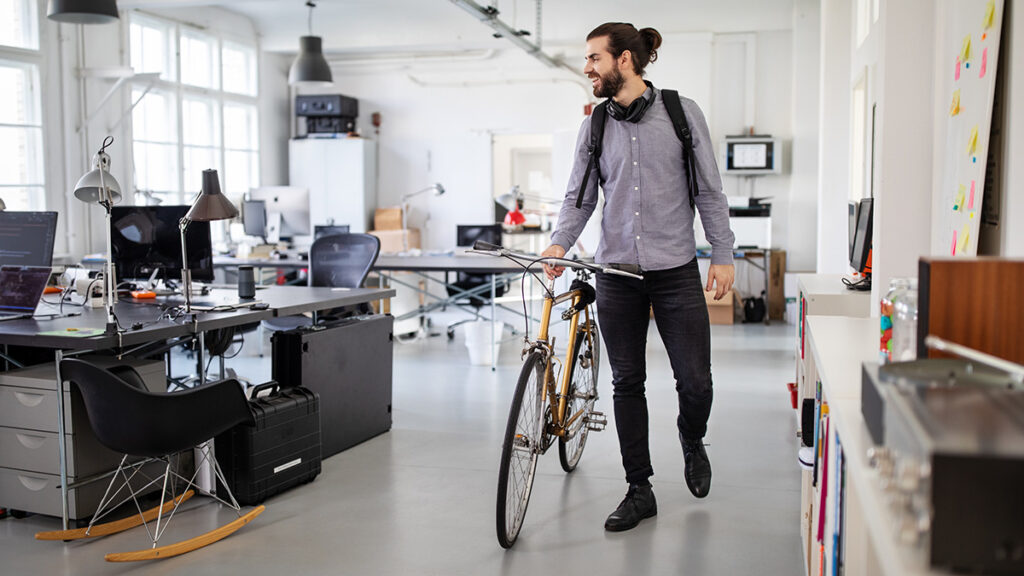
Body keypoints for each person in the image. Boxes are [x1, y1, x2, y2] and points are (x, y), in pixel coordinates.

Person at [542, 22, 735, 532]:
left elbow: (710, 191)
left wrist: (723, 252)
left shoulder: (680, 113)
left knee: (695, 382)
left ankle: (691, 438)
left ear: (624, 60)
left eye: (593, 59)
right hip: (616, 273)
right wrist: (560, 241)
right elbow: (579, 196)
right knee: (628, 382)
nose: (587, 68)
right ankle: (639, 488)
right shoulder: (595, 125)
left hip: (675, 272)